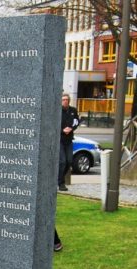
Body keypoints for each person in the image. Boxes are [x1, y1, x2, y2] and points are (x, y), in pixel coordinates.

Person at [56, 93, 78, 252]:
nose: (65, 102)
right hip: (59, 139)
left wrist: (71, 128)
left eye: (67, 100)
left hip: (69, 140)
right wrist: (62, 129)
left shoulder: (73, 111)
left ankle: (61, 180)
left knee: (69, 161)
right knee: (62, 161)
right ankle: (60, 182)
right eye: (63, 100)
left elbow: (77, 121)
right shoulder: (57, 111)